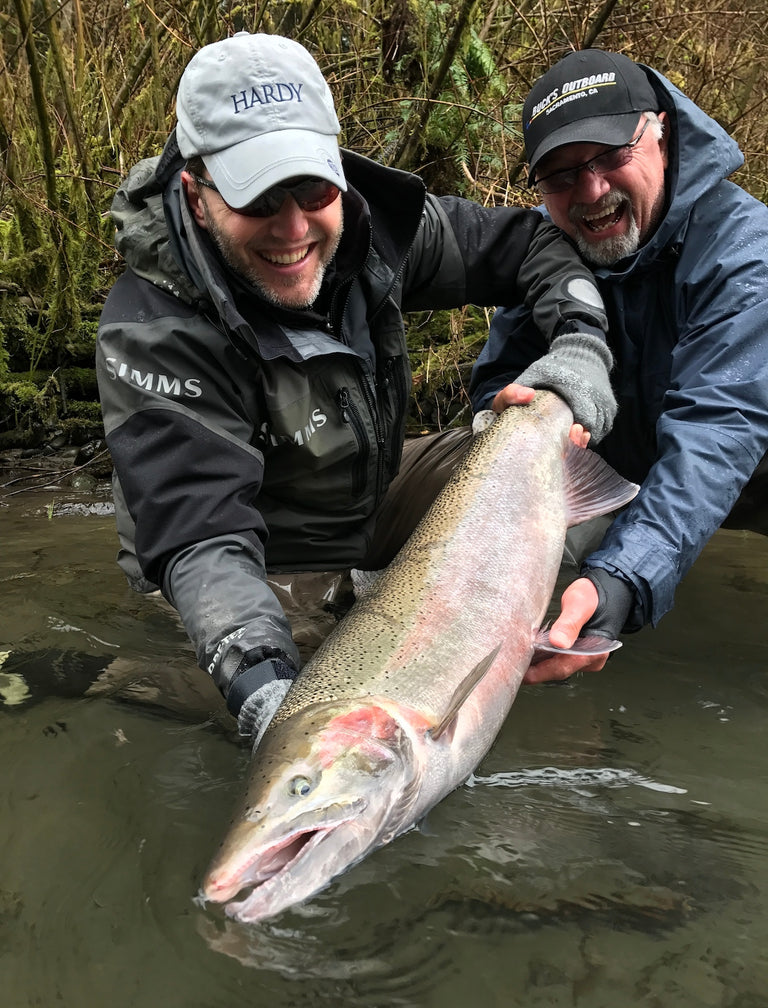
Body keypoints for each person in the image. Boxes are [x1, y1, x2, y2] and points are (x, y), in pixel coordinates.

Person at [96, 32, 616, 742]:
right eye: (257, 198)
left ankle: (500, 622)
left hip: (366, 503)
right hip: (260, 558)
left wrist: (581, 344)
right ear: (195, 192)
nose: (293, 228)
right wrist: (263, 688)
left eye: (311, 187)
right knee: (274, 698)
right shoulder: (152, 329)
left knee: (543, 462)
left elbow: (530, 245)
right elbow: (202, 539)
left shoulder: (375, 228)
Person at [470, 48, 768, 683]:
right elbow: (498, 384)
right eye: (561, 176)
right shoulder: (547, 252)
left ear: (659, 131)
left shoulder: (744, 255)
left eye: (611, 158)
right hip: (624, 465)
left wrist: (623, 578)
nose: (592, 192)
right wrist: (504, 415)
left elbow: (717, 431)